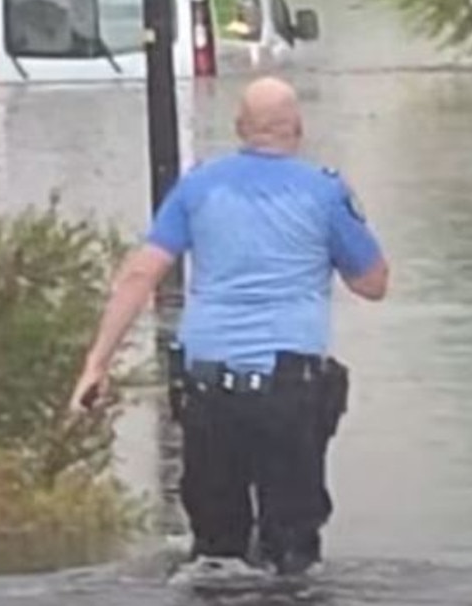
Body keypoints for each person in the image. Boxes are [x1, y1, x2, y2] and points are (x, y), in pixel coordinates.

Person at [68, 76, 389, 575]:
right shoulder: (325, 192)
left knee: (216, 554)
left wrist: (97, 363)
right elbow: (373, 283)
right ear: (298, 129)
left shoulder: (197, 187)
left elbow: (139, 275)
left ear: (240, 129)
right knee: (293, 556)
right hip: (288, 389)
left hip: (207, 389)